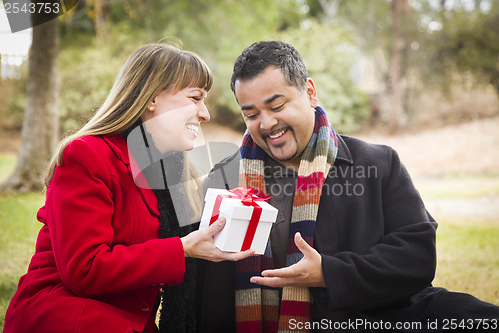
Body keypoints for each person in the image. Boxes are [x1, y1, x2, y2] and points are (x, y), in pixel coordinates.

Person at [196, 41, 499, 332]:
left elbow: (416, 258)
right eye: (251, 114)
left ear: (310, 92)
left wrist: (328, 274)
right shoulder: (224, 178)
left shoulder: (378, 163)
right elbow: (202, 292)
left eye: (276, 105)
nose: (266, 123)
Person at [4, 43, 254, 333]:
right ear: (151, 99)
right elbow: (84, 270)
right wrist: (182, 248)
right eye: (195, 98)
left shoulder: (171, 172)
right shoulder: (86, 155)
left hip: (128, 321)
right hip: (66, 315)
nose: (205, 113)